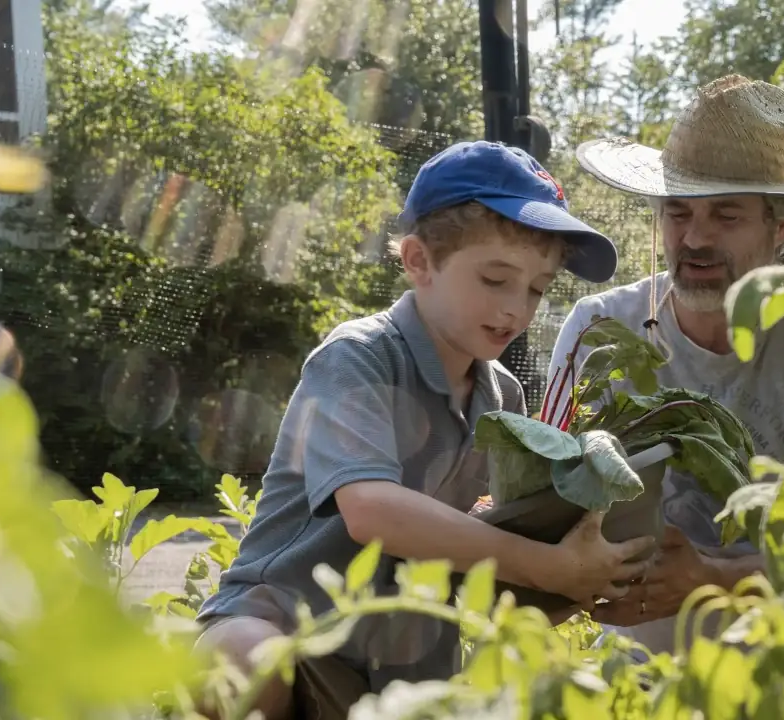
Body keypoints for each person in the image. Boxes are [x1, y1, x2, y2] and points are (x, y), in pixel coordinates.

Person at [193, 141, 657, 720]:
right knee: (241, 662)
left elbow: (476, 553)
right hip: (290, 631)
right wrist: (539, 565)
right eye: (495, 279)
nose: (517, 309)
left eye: (537, 289)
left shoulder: (502, 398)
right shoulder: (358, 357)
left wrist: (573, 577)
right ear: (419, 262)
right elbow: (372, 510)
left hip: (400, 675)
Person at [543, 75, 784, 658]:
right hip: (633, 678)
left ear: (780, 227)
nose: (696, 237)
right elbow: (554, 498)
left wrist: (711, 578)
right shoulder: (600, 329)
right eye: (678, 213)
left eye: (727, 216)